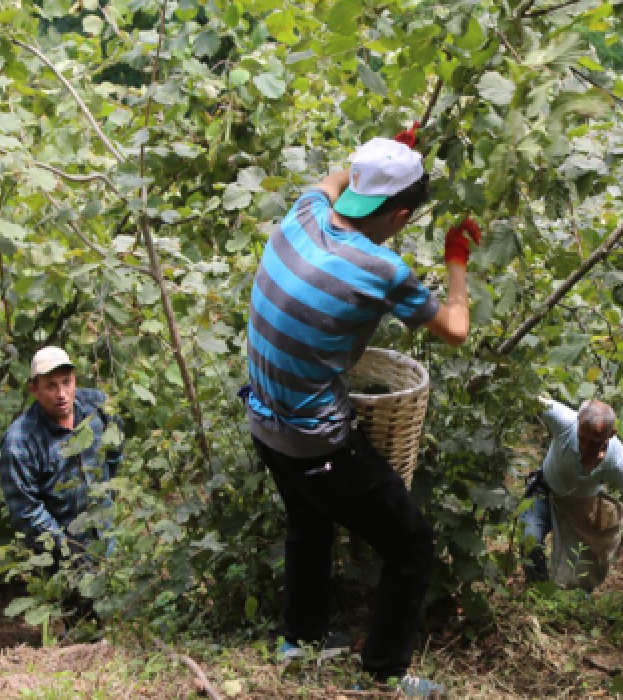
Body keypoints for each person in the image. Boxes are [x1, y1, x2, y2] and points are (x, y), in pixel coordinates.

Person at [243, 126, 480, 697]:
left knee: (308, 520)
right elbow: (455, 329)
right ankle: (386, 672)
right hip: (314, 440)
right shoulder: (382, 270)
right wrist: (455, 263)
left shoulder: (305, 212)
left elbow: (335, 178)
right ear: (400, 216)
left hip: (262, 419)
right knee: (411, 543)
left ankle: (299, 641)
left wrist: (384, 156)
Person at [521, 398, 623, 598]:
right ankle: (540, 598)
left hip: (581, 509)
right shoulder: (563, 421)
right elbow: (526, 393)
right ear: (577, 423)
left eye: (596, 442)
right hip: (545, 494)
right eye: (583, 438)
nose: (586, 447)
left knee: (581, 574)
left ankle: (574, 606)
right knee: (529, 540)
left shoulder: (618, 459)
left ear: (611, 435)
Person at [0, 347, 122, 572]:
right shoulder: (21, 440)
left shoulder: (97, 407)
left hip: (106, 536)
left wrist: (108, 497)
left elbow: (114, 453)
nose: (62, 394)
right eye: (51, 386)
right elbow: (25, 510)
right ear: (34, 389)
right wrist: (67, 549)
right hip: (60, 559)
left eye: (67, 382)